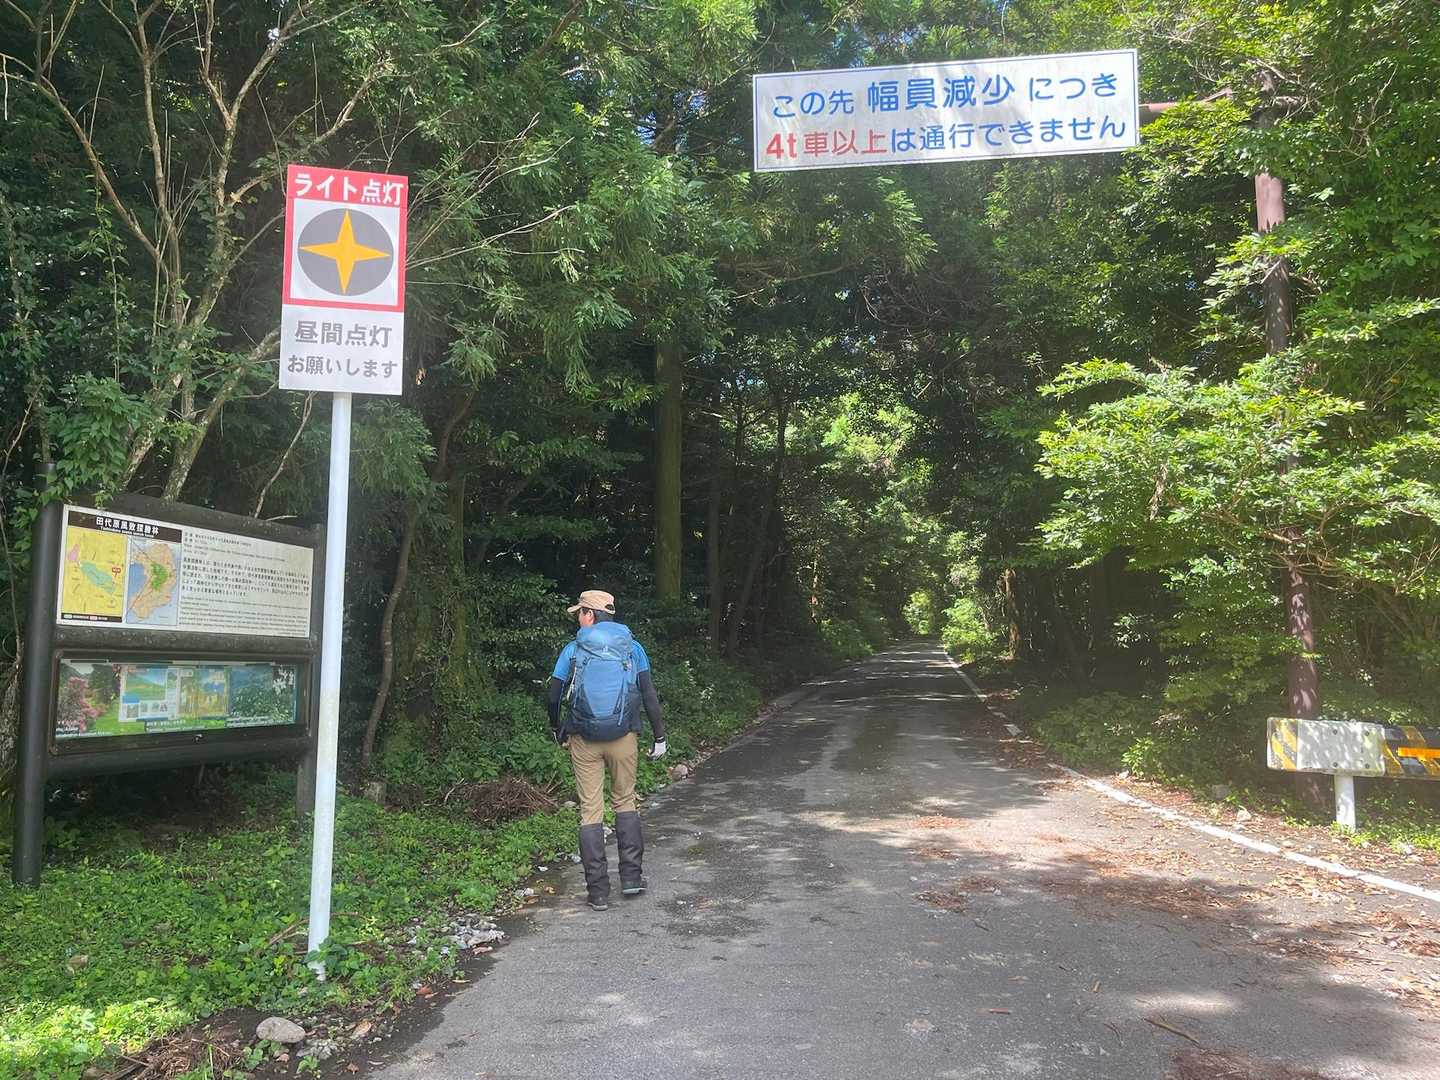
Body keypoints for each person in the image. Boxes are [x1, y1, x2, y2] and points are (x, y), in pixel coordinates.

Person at [547, 589, 666, 911]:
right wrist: (659, 736)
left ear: (590, 614)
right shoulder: (633, 648)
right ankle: (631, 879)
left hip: (583, 738)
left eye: (580, 613)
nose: (578, 618)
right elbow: (648, 694)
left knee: (591, 810)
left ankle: (598, 892)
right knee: (625, 801)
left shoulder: (573, 649)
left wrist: (556, 728)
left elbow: (554, 694)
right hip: (623, 736)